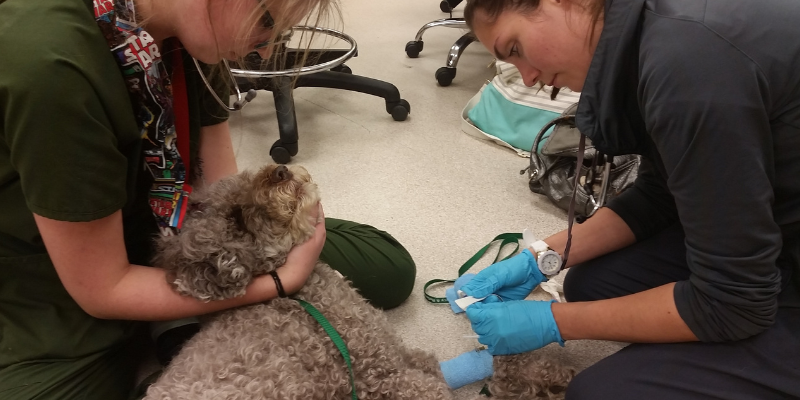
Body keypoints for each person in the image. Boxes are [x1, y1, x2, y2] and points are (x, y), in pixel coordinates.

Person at [0, 0, 416, 398]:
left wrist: (271, 253)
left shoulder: (193, 32)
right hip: (60, 277)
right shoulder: (51, 65)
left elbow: (219, 194)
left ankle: (177, 326)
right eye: (267, 21)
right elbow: (103, 289)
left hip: (177, 235)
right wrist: (278, 283)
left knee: (387, 267)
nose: (268, 49)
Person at [456, 0, 800, 399]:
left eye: (515, 49)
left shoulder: (686, 68)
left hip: (770, 256)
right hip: (776, 220)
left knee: (601, 392)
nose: (529, 79)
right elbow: (661, 194)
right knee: (595, 283)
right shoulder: (646, 36)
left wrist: (555, 321)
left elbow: (733, 303)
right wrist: (539, 257)